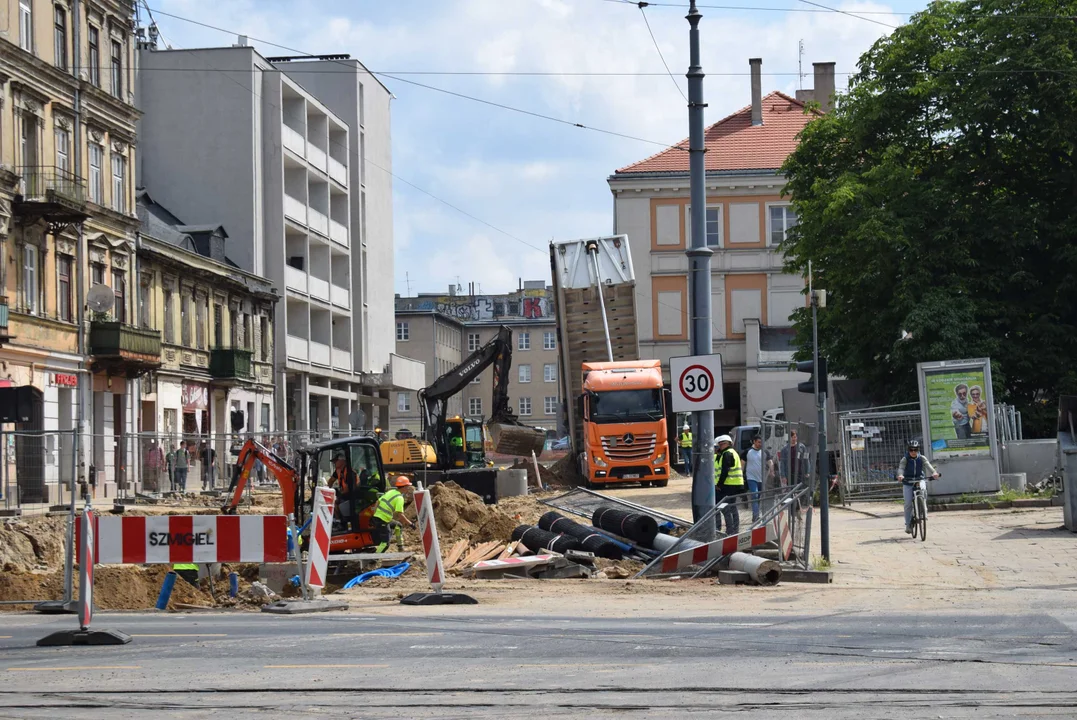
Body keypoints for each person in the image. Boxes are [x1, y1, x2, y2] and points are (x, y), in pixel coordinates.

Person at [896, 440, 940, 534]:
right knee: (908, 503)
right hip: (908, 481)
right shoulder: (905, 459)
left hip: (920, 479)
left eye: (915, 450)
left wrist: (934, 473)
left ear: (918, 450)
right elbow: (901, 468)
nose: (913, 452)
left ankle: (924, 511)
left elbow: (928, 466)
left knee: (923, 490)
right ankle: (908, 525)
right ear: (908, 450)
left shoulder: (922, 458)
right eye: (911, 450)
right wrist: (900, 475)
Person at [371, 476, 415, 552]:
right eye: (407, 487)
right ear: (404, 487)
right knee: (385, 543)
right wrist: (410, 524)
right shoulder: (399, 498)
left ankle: (400, 548)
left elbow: (377, 502)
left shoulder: (391, 492)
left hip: (380, 518)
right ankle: (374, 560)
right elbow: (400, 515)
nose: (408, 489)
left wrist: (375, 514)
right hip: (382, 520)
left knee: (398, 525)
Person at [713, 434, 744, 535]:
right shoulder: (730, 453)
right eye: (719, 445)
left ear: (727, 444)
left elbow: (725, 471)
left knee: (727, 508)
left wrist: (719, 484)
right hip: (732, 484)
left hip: (729, 484)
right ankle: (733, 529)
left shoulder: (727, 454)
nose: (720, 446)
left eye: (721, 444)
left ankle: (731, 530)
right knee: (731, 507)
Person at [329, 453, 360, 530]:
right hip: (345, 494)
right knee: (331, 501)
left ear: (342, 461)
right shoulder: (338, 471)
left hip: (352, 496)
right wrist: (326, 489)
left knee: (336, 503)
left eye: (335, 461)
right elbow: (331, 480)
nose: (334, 463)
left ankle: (340, 523)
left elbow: (349, 488)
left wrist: (339, 496)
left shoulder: (350, 472)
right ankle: (336, 522)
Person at [744, 435, 771, 522]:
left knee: (758, 497)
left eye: (761, 442)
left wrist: (772, 470)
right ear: (754, 442)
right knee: (754, 495)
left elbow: (770, 462)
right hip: (751, 477)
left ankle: (755, 514)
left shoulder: (765, 452)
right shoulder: (748, 452)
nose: (760, 444)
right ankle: (756, 517)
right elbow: (742, 463)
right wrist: (740, 475)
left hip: (761, 478)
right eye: (759, 442)